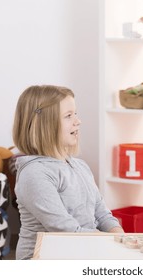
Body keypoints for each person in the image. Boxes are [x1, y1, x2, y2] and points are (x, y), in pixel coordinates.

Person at [12, 85, 123, 260]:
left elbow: (102, 214)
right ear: (45, 125)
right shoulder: (35, 174)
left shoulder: (80, 166)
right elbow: (66, 230)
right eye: (68, 116)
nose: (78, 121)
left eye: (76, 114)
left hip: (81, 251)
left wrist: (120, 237)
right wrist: (111, 245)